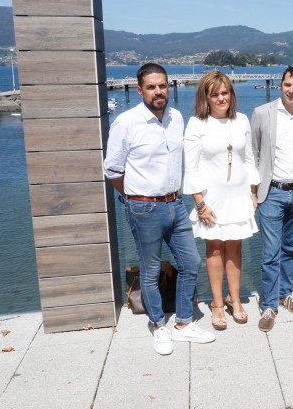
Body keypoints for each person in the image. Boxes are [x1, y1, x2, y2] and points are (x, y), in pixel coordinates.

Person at [104, 63, 215, 355]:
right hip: (144, 208)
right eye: (151, 87)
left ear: (169, 86)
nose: (158, 92)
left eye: (162, 86)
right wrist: (134, 198)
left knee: (191, 263)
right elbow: (112, 170)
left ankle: (183, 323)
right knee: (151, 271)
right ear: (140, 90)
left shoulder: (176, 118)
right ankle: (158, 326)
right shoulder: (126, 123)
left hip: (175, 204)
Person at [183, 71, 259, 330]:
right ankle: (217, 303)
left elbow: (249, 159)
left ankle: (234, 299)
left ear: (231, 94)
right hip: (211, 199)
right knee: (214, 249)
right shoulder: (196, 124)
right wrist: (200, 204)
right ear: (206, 96)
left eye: (224, 92)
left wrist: (253, 192)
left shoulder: (242, 120)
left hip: (238, 196)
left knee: (235, 248)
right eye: (214, 94)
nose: (220, 98)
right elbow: (190, 168)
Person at [251, 66, 293, 332]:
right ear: (281, 85)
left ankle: (285, 294)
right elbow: (254, 154)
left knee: (291, 249)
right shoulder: (262, 113)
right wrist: (254, 193)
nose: (292, 90)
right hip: (273, 193)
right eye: (288, 84)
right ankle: (269, 305)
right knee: (270, 253)